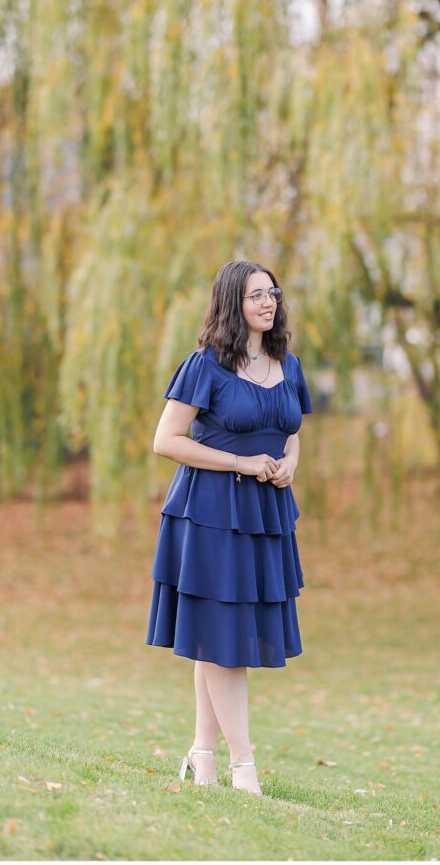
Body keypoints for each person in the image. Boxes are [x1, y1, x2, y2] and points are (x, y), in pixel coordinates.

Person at [145, 259, 313, 796]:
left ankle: (202, 757)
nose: (268, 302)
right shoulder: (206, 366)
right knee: (225, 640)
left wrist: (290, 463)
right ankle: (244, 766)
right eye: (255, 295)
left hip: (266, 515)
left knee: (215, 636)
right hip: (213, 510)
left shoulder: (289, 364)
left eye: (273, 293)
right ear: (231, 304)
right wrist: (240, 464)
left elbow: (290, 430)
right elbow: (167, 440)